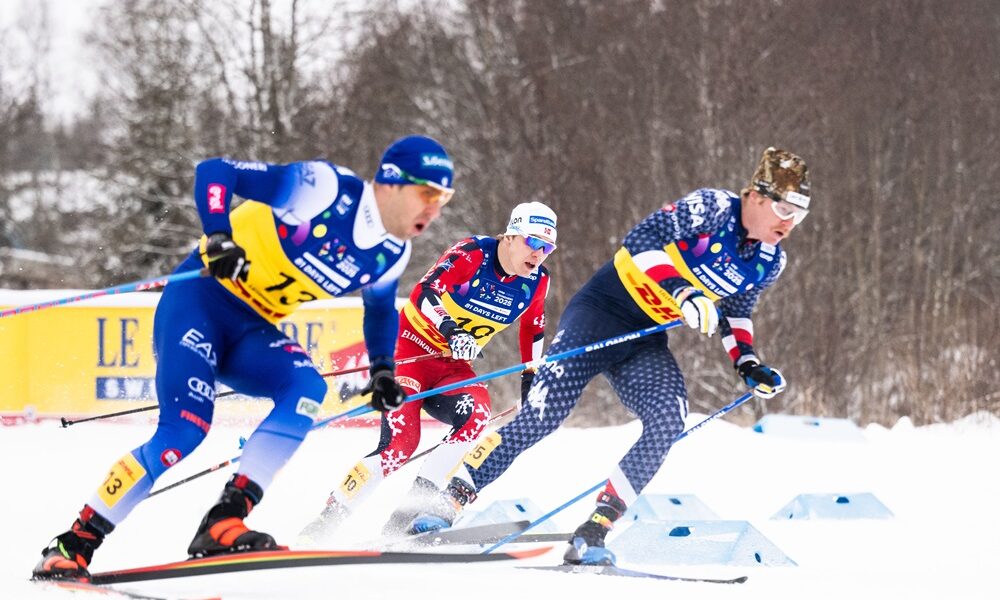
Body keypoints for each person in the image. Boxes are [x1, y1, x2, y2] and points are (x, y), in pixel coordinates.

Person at [32, 135, 455, 580]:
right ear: (390, 182)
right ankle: (73, 544)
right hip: (198, 304)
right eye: (427, 194)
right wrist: (219, 235)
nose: (434, 209)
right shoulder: (326, 190)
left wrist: (383, 369)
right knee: (183, 433)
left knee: (306, 387)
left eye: (443, 199)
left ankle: (224, 519)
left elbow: (380, 309)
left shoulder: (393, 252)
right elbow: (216, 171)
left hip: (251, 328)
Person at [409, 147, 810, 565]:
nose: (789, 222)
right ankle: (447, 502)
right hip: (599, 314)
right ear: (755, 197)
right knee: (544, 415)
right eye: (784, 208)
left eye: (798, 215)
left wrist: (747, 363)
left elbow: (738, 311)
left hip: (643, 340)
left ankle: (595, 530)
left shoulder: (769, 260)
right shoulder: (713, 209)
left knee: (668, 419)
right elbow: (641, 240)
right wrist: (683, 292)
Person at [297, 202, 556, 544]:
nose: (538, 254)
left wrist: (530, 378)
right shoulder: (473, 254)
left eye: (547, 247)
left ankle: (405, 521)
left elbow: (533, 328)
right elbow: (424, 293)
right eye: (532, 242)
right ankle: (327, 520)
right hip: (409, 351)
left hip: (452, 366)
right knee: (401, 445)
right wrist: (451, 329)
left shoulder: (536, 282)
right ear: (510, 236)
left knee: (477, 414)